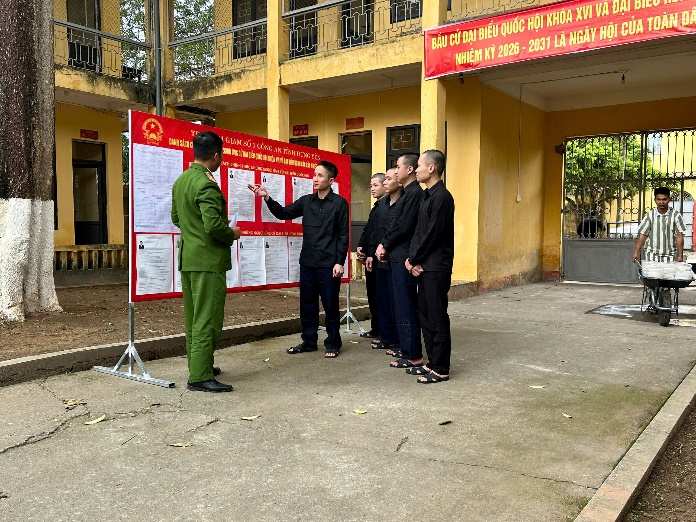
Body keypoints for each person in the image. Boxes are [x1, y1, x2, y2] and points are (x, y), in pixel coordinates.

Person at [249, 161, 349, 359]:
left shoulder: (339, 204)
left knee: (330, 305)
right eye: (314, 174)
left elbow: (343, 235)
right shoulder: (306, 201)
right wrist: (267, 197)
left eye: (320, 175)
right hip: (308, 262)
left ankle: (333, 343)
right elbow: (283, 213)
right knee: (307, 304)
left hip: (329, 264)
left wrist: (340, 261)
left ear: (331, 180)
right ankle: (309, 341)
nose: (315, 178)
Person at [171, 131, 240, 393]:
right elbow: (214, 227)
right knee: (207, 318)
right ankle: (199, 377)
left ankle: (200, 364)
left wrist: (193, 232)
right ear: (216, 156)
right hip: (208, 261)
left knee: (193, 316)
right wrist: (231, 233)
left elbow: (176, 217)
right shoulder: (207, 185)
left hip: (189, 258)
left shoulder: (182, 181)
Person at [405, 149, 454, 384]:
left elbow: (433, 234)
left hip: (436, 267)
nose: (417, 169)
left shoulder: (443, 197)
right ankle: (432, 363)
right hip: (423, 264)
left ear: (432, 168)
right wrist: (412, 259)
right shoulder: (426, 196)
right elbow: (418, 232)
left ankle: (441, 368)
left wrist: (415, 259)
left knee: (436, 316)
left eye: (421, 165)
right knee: (425, 315)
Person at [376, 153, 424, 368]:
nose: (395, 171)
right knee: (400, 305)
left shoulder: (414, 194)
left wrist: (385, 243)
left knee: (405, 306)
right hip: (397, 255)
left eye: (398, 167)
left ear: (410, 169)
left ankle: (412, 354)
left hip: (403, 256)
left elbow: (403, 226)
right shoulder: (408, 193)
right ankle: (406, 349)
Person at [367, 168, 400, 354]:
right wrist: (369, 250)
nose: (386, 183)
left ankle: (395, 340)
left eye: (387, 179)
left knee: (394, 301)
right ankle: (385, 335)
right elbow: (373, 231)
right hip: (379, 256)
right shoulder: (381, 206)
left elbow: (396, 231)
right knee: (381, 299)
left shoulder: (404, 202)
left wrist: (384, 246)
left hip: (394, 257)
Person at [356, 173, 386, 339]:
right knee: (372, 296)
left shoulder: (385, 207)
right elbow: (368, 230)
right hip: (369, 257)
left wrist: (370, 254)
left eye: (376, 185)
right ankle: (376, 329)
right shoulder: (376, 206)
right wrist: (361, 246)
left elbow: (379, 234)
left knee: (379, 297)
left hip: (377, 258)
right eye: (371, 185)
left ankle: (382, 330)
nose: (372, 189)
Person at [632, 187, 686, 263]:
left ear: (669, 199)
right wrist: (636, 252)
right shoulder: (650, 215)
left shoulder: (676, 215)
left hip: (670, 258)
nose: (661, 202)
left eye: (664, 199)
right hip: (652, 257)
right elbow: (643, 234)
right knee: (651, 275)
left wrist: (680, 255)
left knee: (669, 275)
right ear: (655, 200)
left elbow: (679, 236)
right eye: (659, 199)